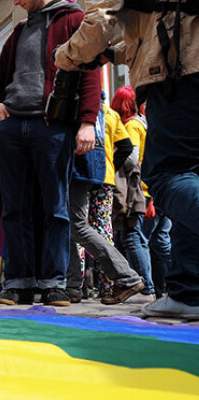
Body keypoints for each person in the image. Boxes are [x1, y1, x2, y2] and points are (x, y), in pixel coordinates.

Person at [55, 0, 199, 319]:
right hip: (187, 54)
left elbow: (98, 24)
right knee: (192, 174)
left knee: (166, 175)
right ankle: (188, 291)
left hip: (180, 72)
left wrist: (64, 56)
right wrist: (115, 55)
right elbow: (161, 15)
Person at [0, 0, 101, 307]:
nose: (15, 1)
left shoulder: (73, 20)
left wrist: (87, 121)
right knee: (15, 208)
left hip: (51, 127)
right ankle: (18, 282)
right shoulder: (16, 33)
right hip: (12, 128)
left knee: (56, 207)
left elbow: (90, 71)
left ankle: (54, 283)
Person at [67, 102, 145, 305]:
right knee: (102, 231)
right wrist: (112, 163)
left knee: (78, 229)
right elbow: (126, 147)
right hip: (105, 177)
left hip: (84, 171)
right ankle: (107, 286)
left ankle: (76, 286)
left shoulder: (80, 109)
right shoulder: (110, 113)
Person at [109, 85, 155, 300]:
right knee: (138, 238)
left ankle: (145, 287)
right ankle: (146, 285)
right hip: (145, 188)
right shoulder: (142, 123)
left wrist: (113, 158)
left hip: (135, 190)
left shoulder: (131, 126)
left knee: (132, 237)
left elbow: (130, 159)